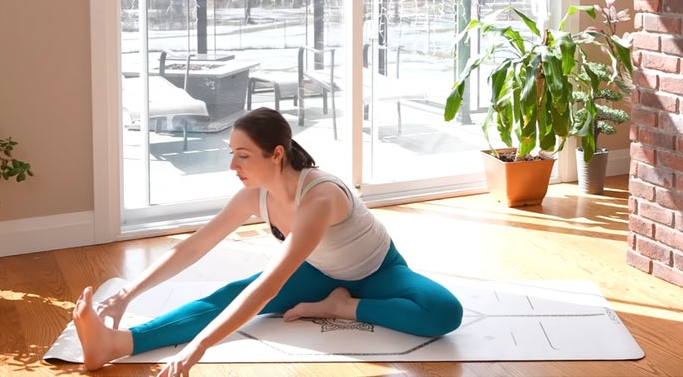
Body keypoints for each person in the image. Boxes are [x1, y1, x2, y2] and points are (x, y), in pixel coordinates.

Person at [72, 107, 463, 376]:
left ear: (276, 154)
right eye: (231, 154)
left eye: (243, 155)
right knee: (229, 295)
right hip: (318, 272)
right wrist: (127, 295)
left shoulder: (320, 197)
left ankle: (345, 306)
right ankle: (115, 344)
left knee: (445, 312)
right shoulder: (254, 194)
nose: (232, 165)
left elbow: (271, 285)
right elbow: (193, 247)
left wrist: (200, 347)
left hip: (379, 270)